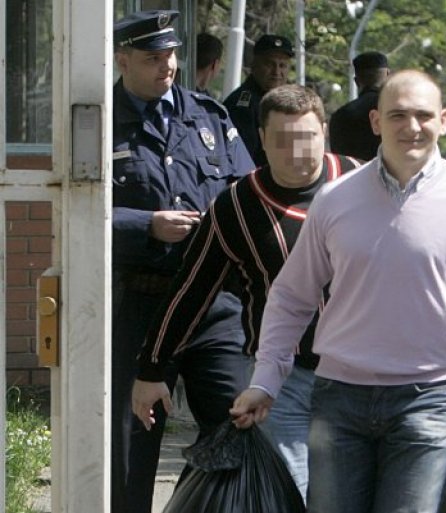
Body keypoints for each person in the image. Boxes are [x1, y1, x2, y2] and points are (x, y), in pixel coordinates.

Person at [231, 69, 446, 512]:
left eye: (423, 115)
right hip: (340, 397)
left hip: (430, 400)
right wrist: (266, 380)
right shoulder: (335, 199)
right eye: (398, 115)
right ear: (375, 122)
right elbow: (291, 297)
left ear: (444, 121)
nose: (412, 127)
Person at [131, 84, 360, 499]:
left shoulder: (361, 183)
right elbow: (192, 289)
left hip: (364, 377)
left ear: (324, 132)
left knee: (353, 495)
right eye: (282, 140)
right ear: (261, 139)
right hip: (284, 380)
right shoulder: (237, 206)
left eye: (307, 137)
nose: (296, 152)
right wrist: (152, 368)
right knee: (291, 496)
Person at [112, 10, 254, 513]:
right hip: (141, 303)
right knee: (130, 444)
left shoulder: (208, 115)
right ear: (122, 60)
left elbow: (245, 192)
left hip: (213, 303)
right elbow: (78, 213)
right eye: (153, 58)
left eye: (171, 55)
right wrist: (145, 224)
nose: (166, 66)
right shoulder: (100, 120)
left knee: (238, 422)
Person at [223, 34, 294, 167]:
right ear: (254, 64)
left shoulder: (285, 101)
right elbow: (242, 160)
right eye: (270, 64)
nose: (276, 71)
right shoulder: (243, 105)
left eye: (282, 65)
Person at [328, 50, 389, 161]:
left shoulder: (339, 117)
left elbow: (338, 159)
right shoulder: (396, 112)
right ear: (388, 75)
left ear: (356, 81)